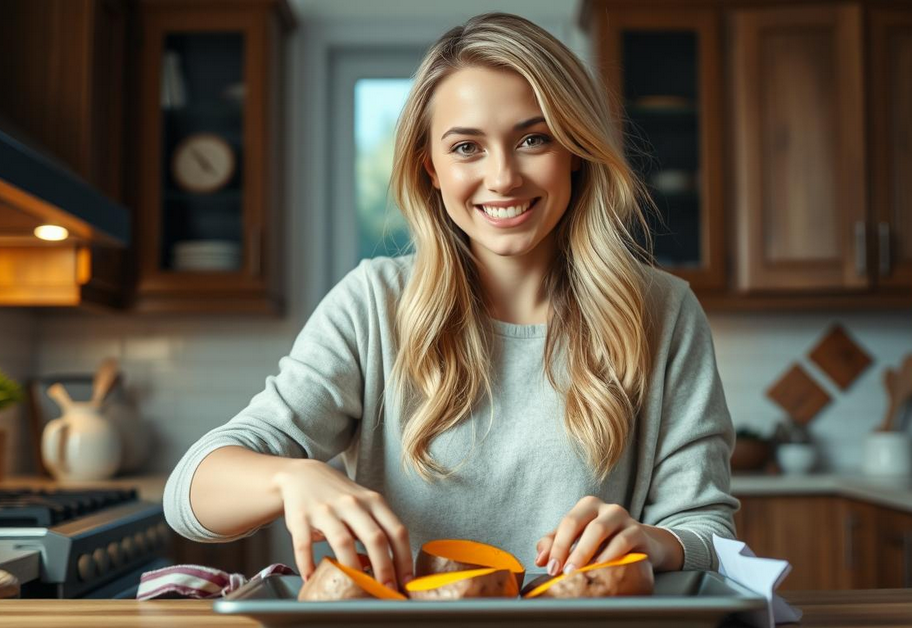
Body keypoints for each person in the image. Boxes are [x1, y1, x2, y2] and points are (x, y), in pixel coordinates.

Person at [164, 12, 737, 594]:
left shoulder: (664, 311)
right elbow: (189, 496)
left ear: (576, 152)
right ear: (431, 169)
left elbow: (710, 533)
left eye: (533, 139)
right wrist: (293, 478)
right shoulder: (373, 304)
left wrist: (658, 541)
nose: (503, 177)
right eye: (467, 147)